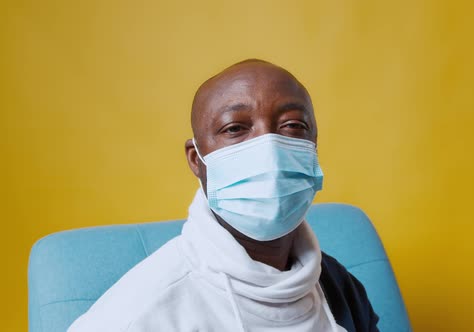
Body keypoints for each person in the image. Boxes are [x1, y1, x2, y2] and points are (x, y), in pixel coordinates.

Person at [68, 59, 379, 331]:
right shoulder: (140, 316)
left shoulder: (338, 287)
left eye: (292, 125)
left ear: (313, 148)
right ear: (197, 159)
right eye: (234, 128)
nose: (268, 149)